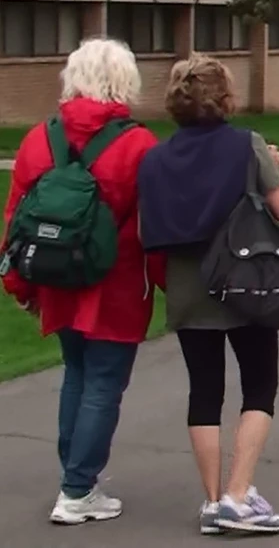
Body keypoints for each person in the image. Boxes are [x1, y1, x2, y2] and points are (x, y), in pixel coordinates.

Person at [1, 38, 159, 526]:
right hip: (116, 281)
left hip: (56, 277)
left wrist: (20, 284)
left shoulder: (38, 139)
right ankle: (77, 488)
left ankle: (76, 477)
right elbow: (153, 227)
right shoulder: (139, 145)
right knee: (104, 383)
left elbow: (16, 216)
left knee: (77, 375)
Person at [137, 55, 279, 535]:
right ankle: (239, 493)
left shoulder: (155, 158)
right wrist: (272, 169)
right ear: (224, 97)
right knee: (259, 386)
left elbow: (148, 227)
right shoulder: (246, 145)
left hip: (189, 285)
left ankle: (211, 501)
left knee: (204, 391)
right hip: (244, 281)